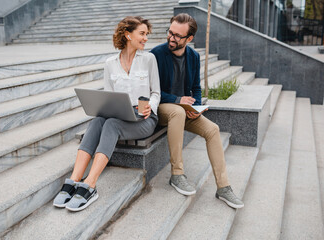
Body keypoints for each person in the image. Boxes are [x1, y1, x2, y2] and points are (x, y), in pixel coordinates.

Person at [53, 16, 160, 212]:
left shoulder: (149, 59)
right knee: (97, 121)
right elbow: (109, 96)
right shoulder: (110, 63)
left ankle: (90, 184)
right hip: (120, 114)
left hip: (144, 118)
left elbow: (156, 92)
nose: (146, 38)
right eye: (142, 34)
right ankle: (74, 179)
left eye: (147, 34)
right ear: (128, 35)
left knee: (111, 125)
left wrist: (149, 106)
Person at [150, 13, 244, 209]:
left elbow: (196, 87)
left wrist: (197, 107)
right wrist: (177, 100)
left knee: (213, 129)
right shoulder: (156, 54)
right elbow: (151, 91)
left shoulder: (193, 56)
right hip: (163, 107)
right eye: (170, 32)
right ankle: (177, 174)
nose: (171, 38)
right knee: (178, 112)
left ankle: (223, 187)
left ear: (189, 39)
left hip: (184, 110)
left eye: (177, 35)